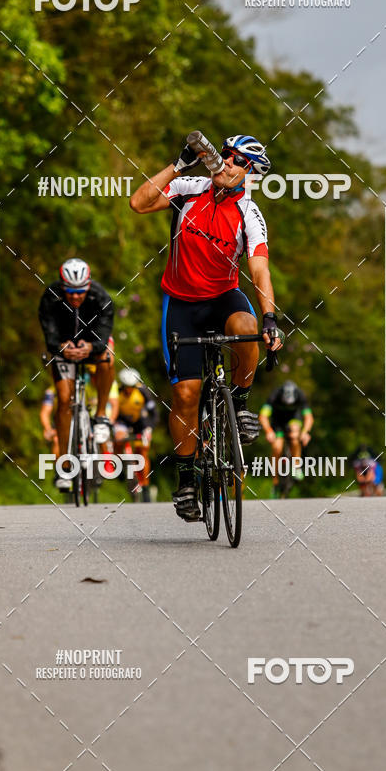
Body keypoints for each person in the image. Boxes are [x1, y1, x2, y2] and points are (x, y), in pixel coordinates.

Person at [130, 133, 283, 521]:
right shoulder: (188, 188)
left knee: (247, 324)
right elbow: (138, 203)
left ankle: (242, 403)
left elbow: (260, 270)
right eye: (225, 155)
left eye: (237, 161)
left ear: (249, 172)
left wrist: (271, 318)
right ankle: (184, 482)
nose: (227, 163)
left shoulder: (249, 213)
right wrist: (179, 164)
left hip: (221, 300)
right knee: (185, 395)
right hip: (180, 303)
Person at [38, 258, 115, 489]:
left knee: (108, 356)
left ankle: (101, 415)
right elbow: (48, 333)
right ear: (62, 286)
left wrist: (90, 348)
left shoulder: (101, 297)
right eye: (70, 292)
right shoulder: (50, 296)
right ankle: (64, 465)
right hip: (63, 348)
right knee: (63, 401)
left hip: (92, 346)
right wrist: (61, 347)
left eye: (80, 291)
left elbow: (104, 335)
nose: (75, 297)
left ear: (88, 285)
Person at [39, 364, 119, 463]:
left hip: (81, 416)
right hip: (61, 420)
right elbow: (45, 412)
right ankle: (62, 470)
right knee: (56, 441)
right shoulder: (51, 392)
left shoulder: (80, 385)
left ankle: (106, 460)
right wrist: (48, 428)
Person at [259, 381, 313, 496]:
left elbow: (308, 417)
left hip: (294, 418)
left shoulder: (300, 395)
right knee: (277, 448)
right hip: (278, 422)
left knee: (294, 436)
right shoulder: (274, 395)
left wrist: (305, 432)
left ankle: (296, 466)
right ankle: (275, 481)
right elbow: (263, 416)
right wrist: (268, 431)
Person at [113, 368, 159, 502]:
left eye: (132, 387)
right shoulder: (117, 393)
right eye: (126, 387)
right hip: (123, 422)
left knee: (142, 452)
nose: (129, 390)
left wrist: (149, 429)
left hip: (141, 423)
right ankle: (120, 466)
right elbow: (112, 411)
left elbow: (154, 414)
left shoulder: (143, 392)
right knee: (118, 439)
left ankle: (145, 486)